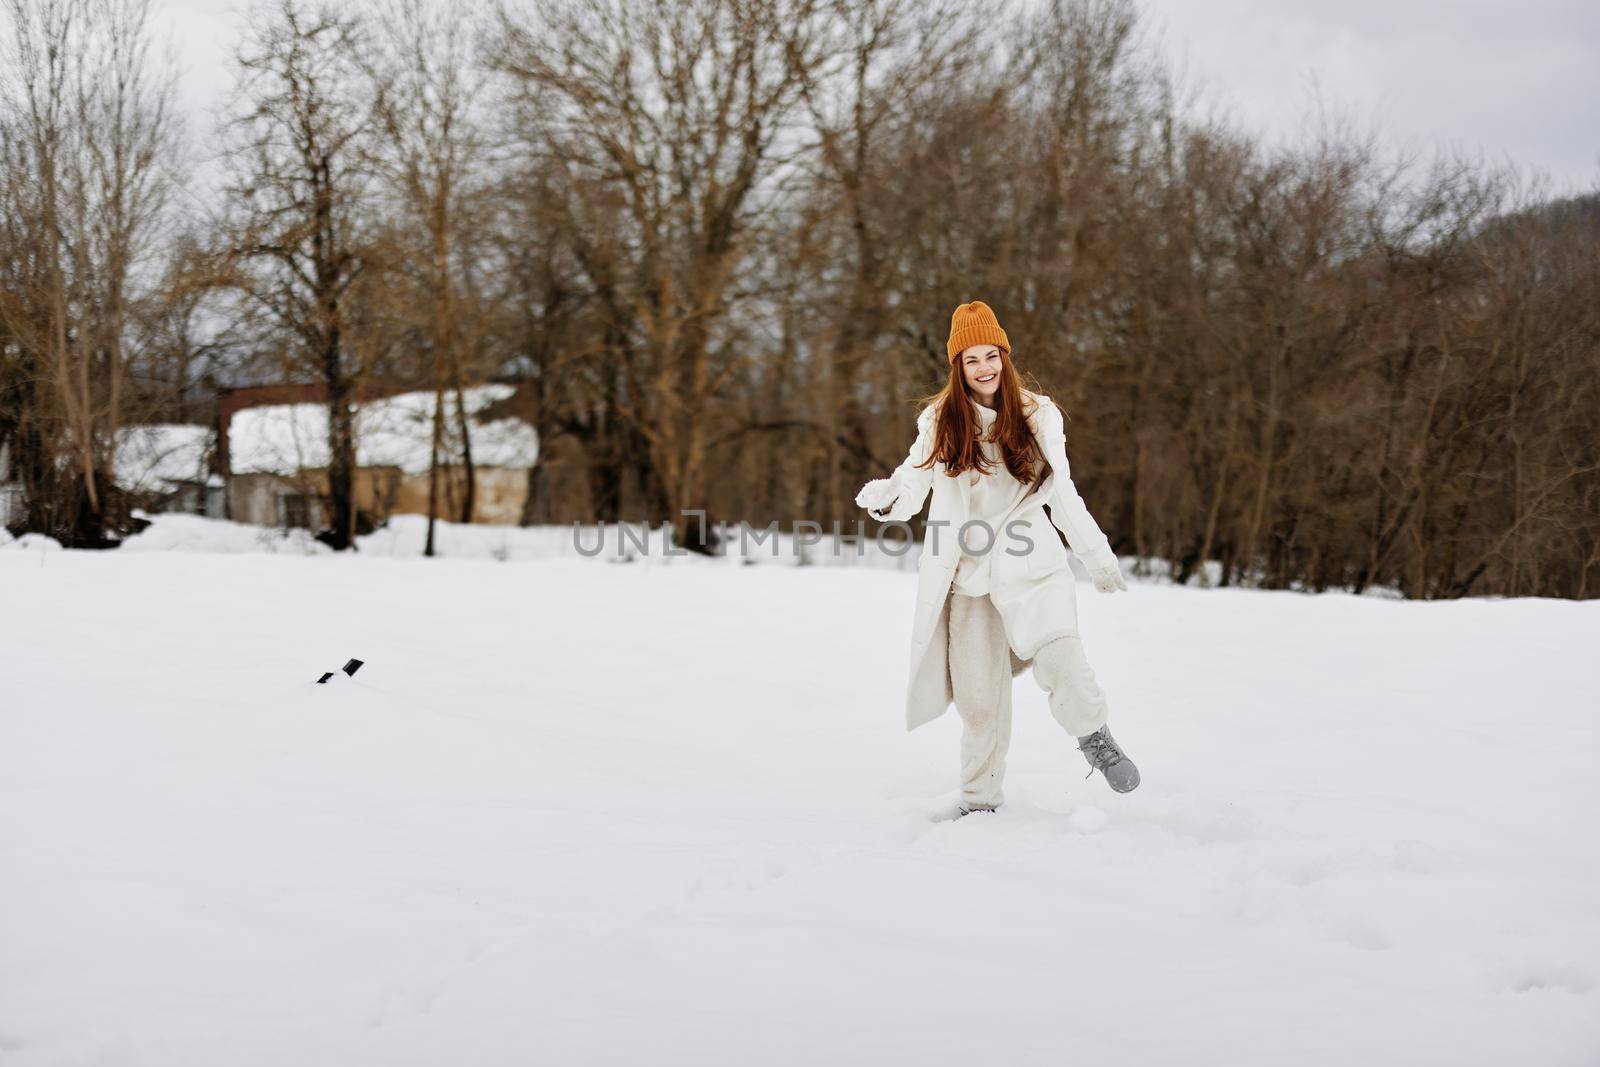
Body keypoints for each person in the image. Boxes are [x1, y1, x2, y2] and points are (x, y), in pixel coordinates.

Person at [854, 299, 1139, 817]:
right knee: (980, 704)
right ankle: (979, 801)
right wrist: (888, 495)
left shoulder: (1037, 414)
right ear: (957, 367)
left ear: (1005, 358)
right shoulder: (940, 419)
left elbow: (1063, 493)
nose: (984, 368)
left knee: (1061, 658)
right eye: (971, 359)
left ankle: (1093, 733)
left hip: (1033, 567)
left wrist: (1097, 557)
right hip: (969, 580)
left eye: (992, 355)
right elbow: (914, 482)